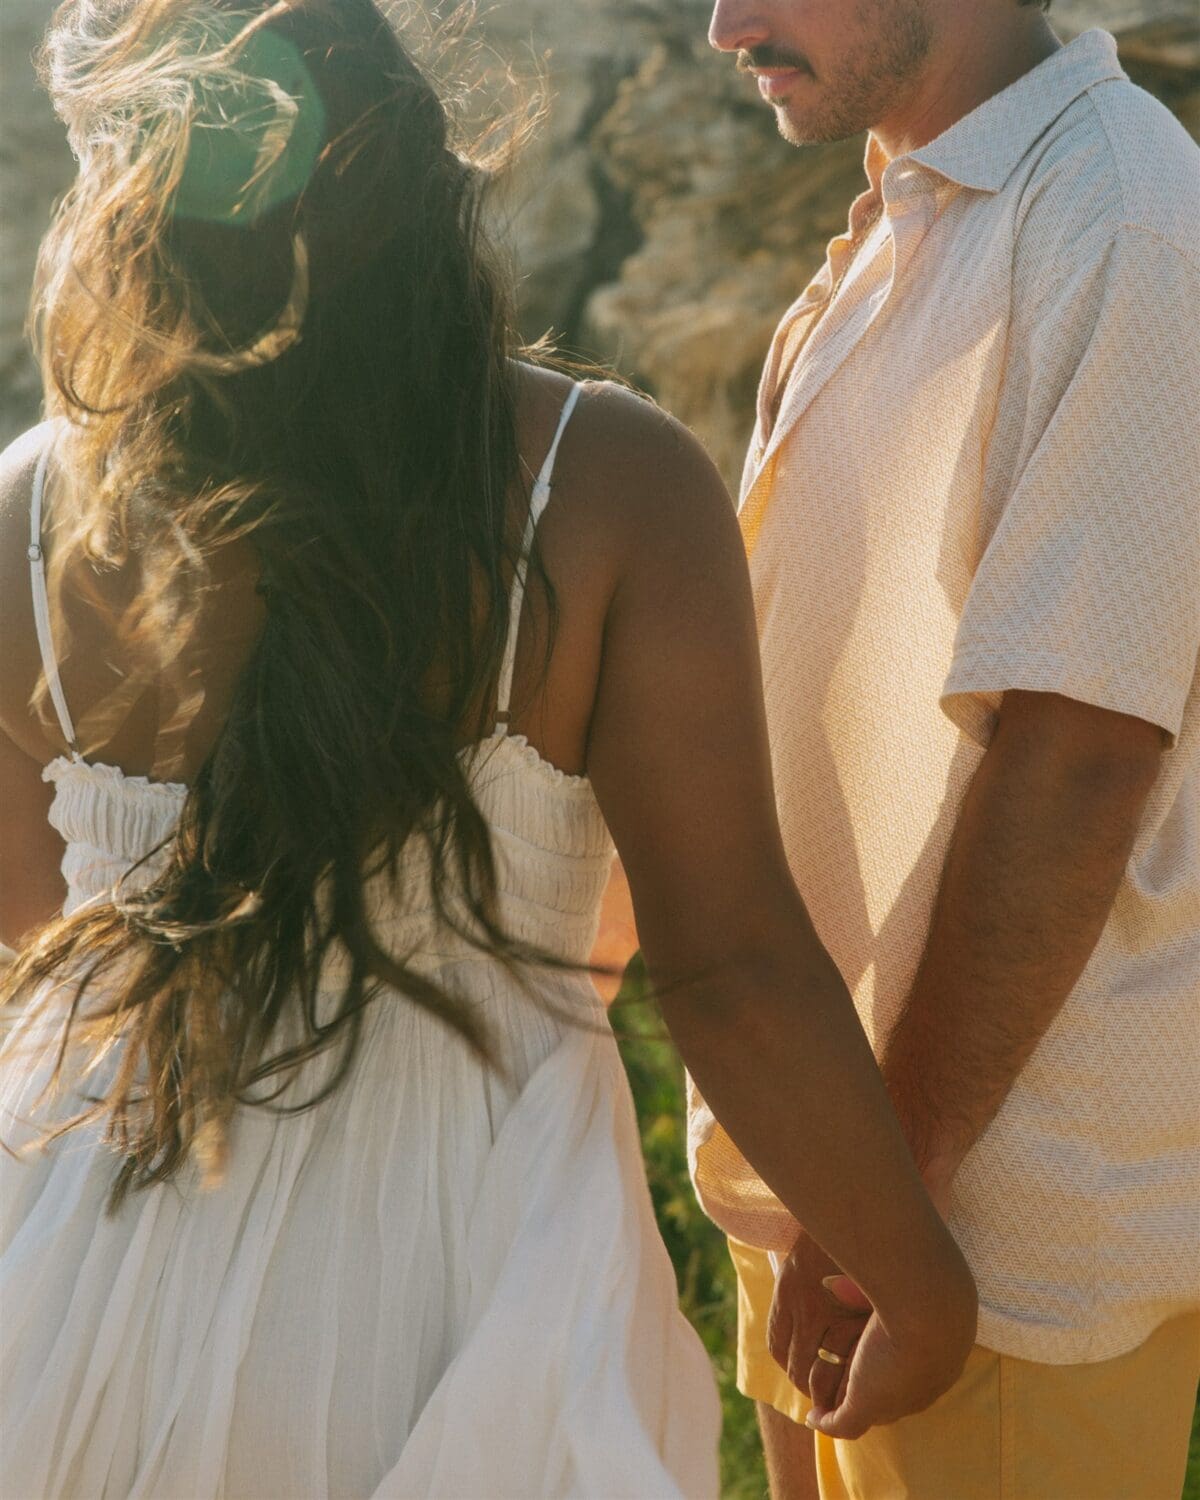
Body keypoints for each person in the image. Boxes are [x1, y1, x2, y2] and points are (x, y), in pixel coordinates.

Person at [0, 2, 977, 1495]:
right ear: (426, 171)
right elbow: (729, 978)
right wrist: (919, 1281)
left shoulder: (26, 517)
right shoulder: (605, 488)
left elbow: (32, 953)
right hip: (470, 1283)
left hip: (81, 1273)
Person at [691, 0, 1200, 1496]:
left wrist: (885, 1213)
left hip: (984, 1235)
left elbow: (1080, 752)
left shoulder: (1119, 224)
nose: (724, 24)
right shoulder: (915, 211)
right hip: (841, 1192)